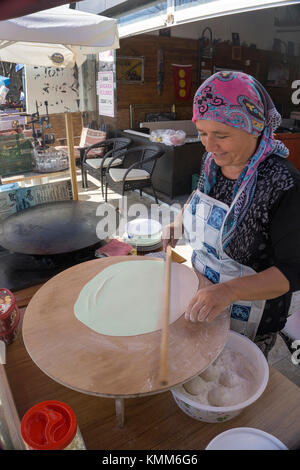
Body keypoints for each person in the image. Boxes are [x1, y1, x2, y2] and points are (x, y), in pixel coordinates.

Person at [162, 70, 300, 358]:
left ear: (253, 127)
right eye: (202, 133)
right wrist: (179, 220)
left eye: (221, 135)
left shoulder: (283, 183)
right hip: (201, 297)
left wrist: (228, 292)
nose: (209, 146)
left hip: (251, 317)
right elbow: (201, 195)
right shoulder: (212, 161)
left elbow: (293, 271)